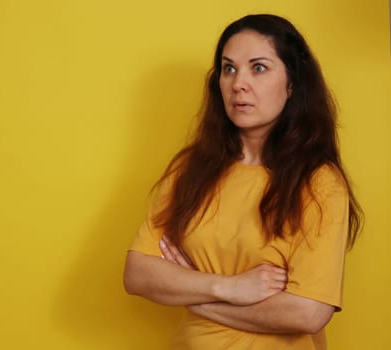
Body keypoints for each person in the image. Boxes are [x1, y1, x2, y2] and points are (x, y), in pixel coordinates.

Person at [123, 14, 363, 350]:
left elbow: (308, 312)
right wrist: (229, 288)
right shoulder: (191, 168)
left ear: (292, 84)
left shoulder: (319, 183)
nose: (238, 83)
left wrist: (193, 296)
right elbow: (137, 274)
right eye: (229, 68)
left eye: (259, 68)